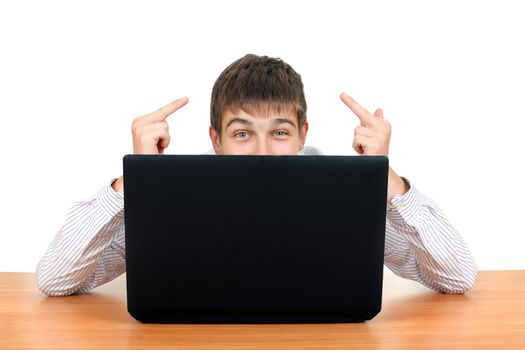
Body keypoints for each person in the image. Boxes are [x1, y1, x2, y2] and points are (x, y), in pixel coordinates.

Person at [36, 54, 477, 296]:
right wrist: (135, 177)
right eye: (243, 132)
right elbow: (55, 279)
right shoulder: (179, 195)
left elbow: (457, 277)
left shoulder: (336, 193)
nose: (263, 150)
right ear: (216, 139)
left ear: (303, 135)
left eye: (280, 132)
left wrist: (386, 178)